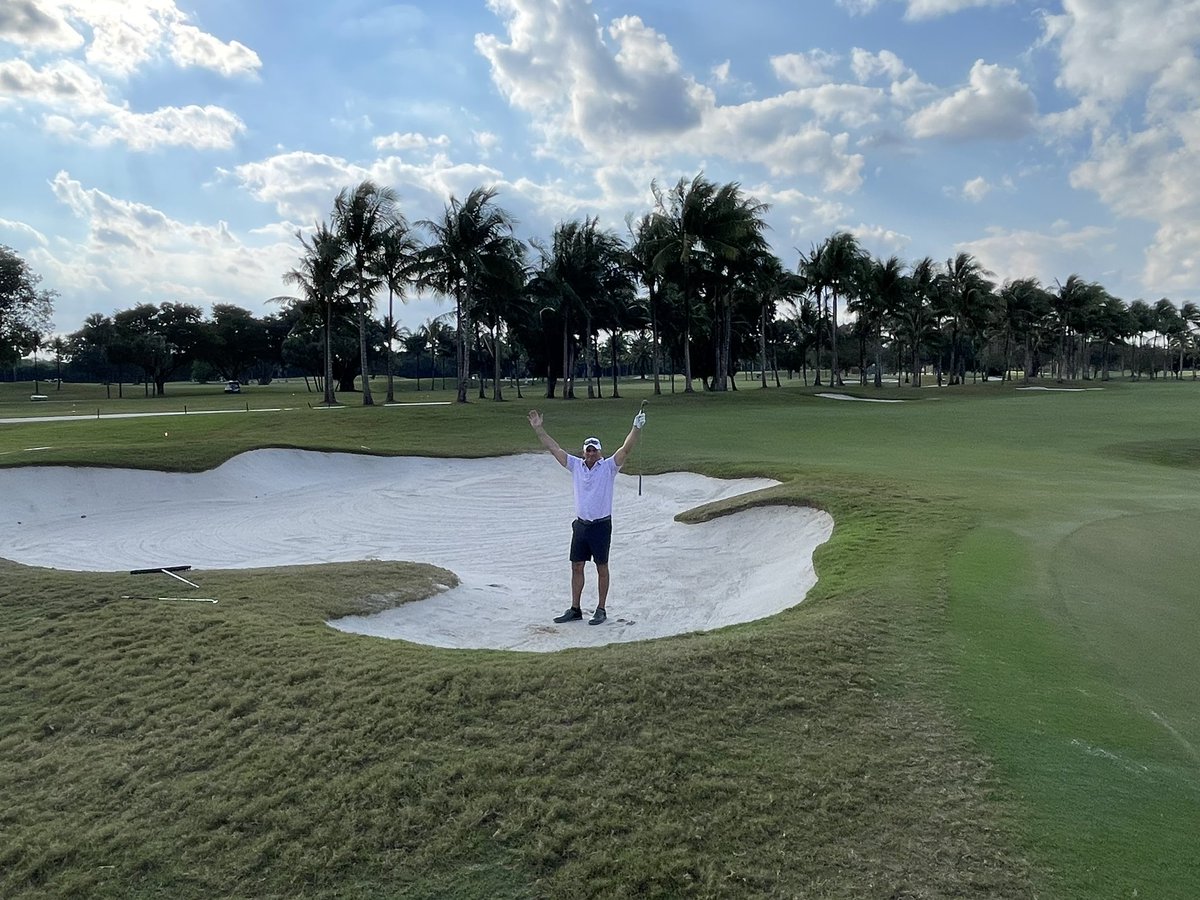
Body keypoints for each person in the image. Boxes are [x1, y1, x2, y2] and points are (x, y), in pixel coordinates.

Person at [528, 406, 646, 625]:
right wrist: (539, 429)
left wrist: (635, 427)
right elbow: (554, 448)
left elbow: (626, 449)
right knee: (577, 566)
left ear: (600, 452)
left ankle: (601, 609)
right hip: (581, 526)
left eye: (595, 450)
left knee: (602, 567)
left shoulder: (608, 467)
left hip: (601, 526)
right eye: (588, 450)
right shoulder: (575, 465)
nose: (591, 453)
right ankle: (575, 609)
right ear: (584, 452)